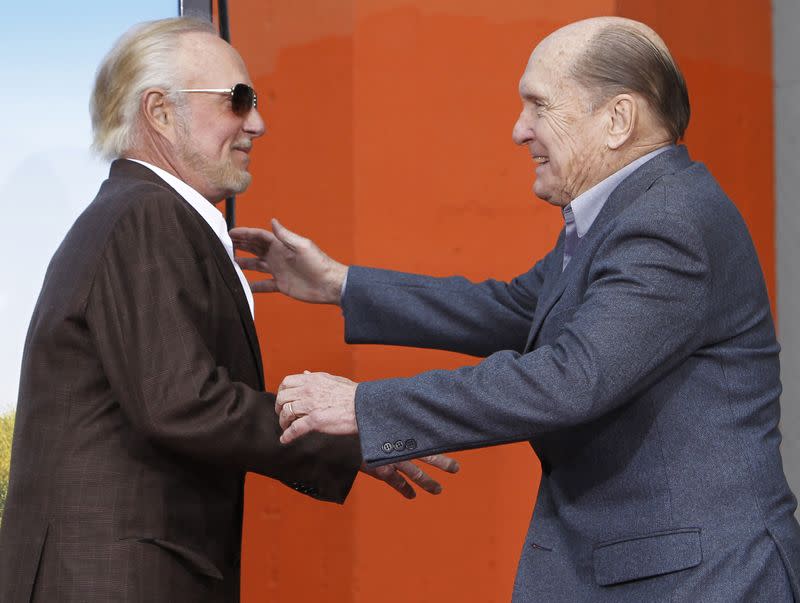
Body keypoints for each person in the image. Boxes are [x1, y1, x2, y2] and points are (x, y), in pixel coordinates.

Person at [231, 16, 800, 601]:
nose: (518, 130)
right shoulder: (633, 209)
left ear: (618, 120)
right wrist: (339, 284)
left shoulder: (667, 221)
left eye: (538, 104)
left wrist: (363, 405)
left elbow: (571, 379)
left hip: (697, 579)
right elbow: (514, 309)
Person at [0, 17, 457, 603]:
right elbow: (183, 402)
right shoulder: (145, 216)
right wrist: (349, 430)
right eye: (238, 101)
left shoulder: (143, 216)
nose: (258, 123)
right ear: (160, 112)